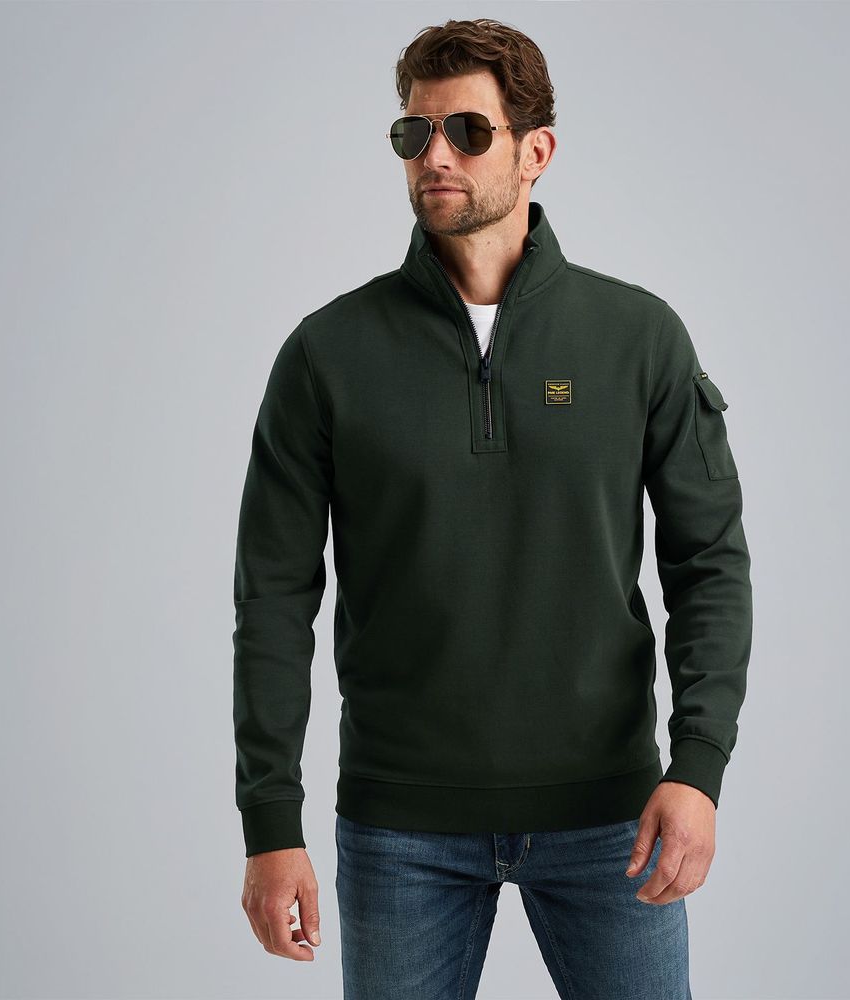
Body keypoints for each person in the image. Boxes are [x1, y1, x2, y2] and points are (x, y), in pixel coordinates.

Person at [233, 17, 752, 1000]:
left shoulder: (637, 338)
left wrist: (697, 768)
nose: (435, 156)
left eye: (468, 132)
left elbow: (709, 564)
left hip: (612, 817)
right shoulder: (327, 354)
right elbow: (271, 598)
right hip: (400, 825)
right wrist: (270, 823)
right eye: (414, 132)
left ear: (535, 151)